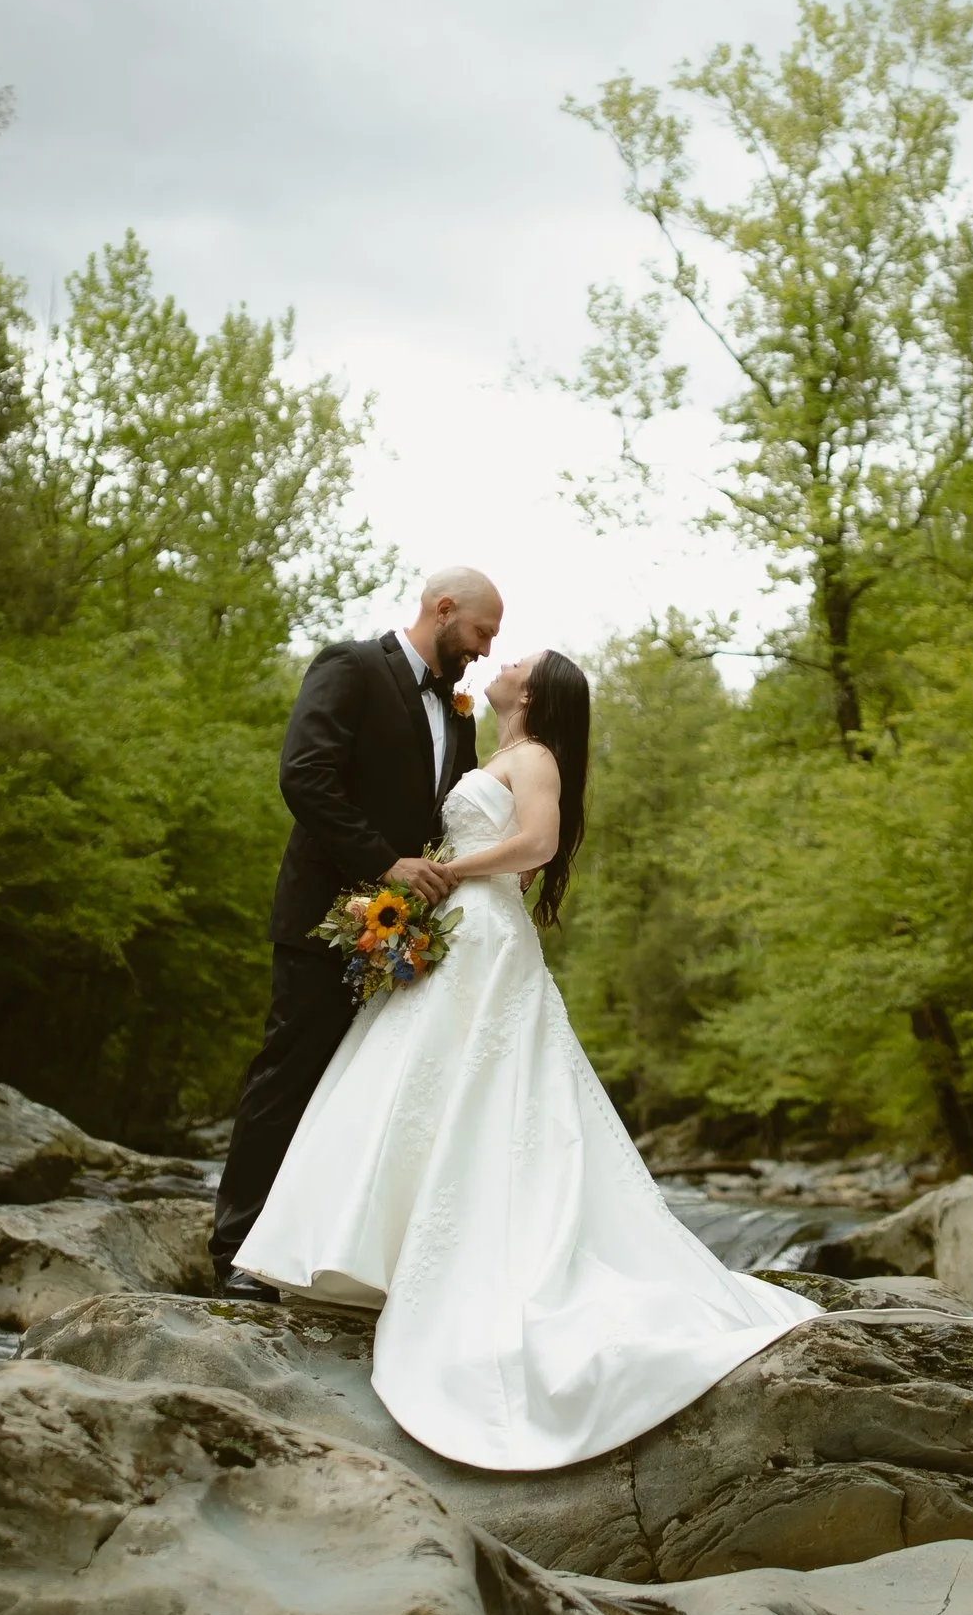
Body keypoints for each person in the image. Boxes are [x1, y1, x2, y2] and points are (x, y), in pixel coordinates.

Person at [236, 644, 817, 1471]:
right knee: (423, 1082)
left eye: (519, 656)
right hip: (460, 933)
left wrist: (447, 871)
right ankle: (374, 1251)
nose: (500, 658)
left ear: (537, 692)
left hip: (485, 934)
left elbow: (537, 844)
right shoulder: (495, 748)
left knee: (488, 1088)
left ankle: (473, 1259)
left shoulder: (537, 756)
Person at [211, 567, 504, 1275]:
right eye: (481, 632)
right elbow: (304, 775)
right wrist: (385, 863)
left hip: (405, 936)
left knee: (359, 1093)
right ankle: (235, 1253)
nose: (487, 650)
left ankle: (313, 1253)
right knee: (289, 1077)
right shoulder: (349, 666)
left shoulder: (460, 709)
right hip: (324, 919)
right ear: (442, 610)